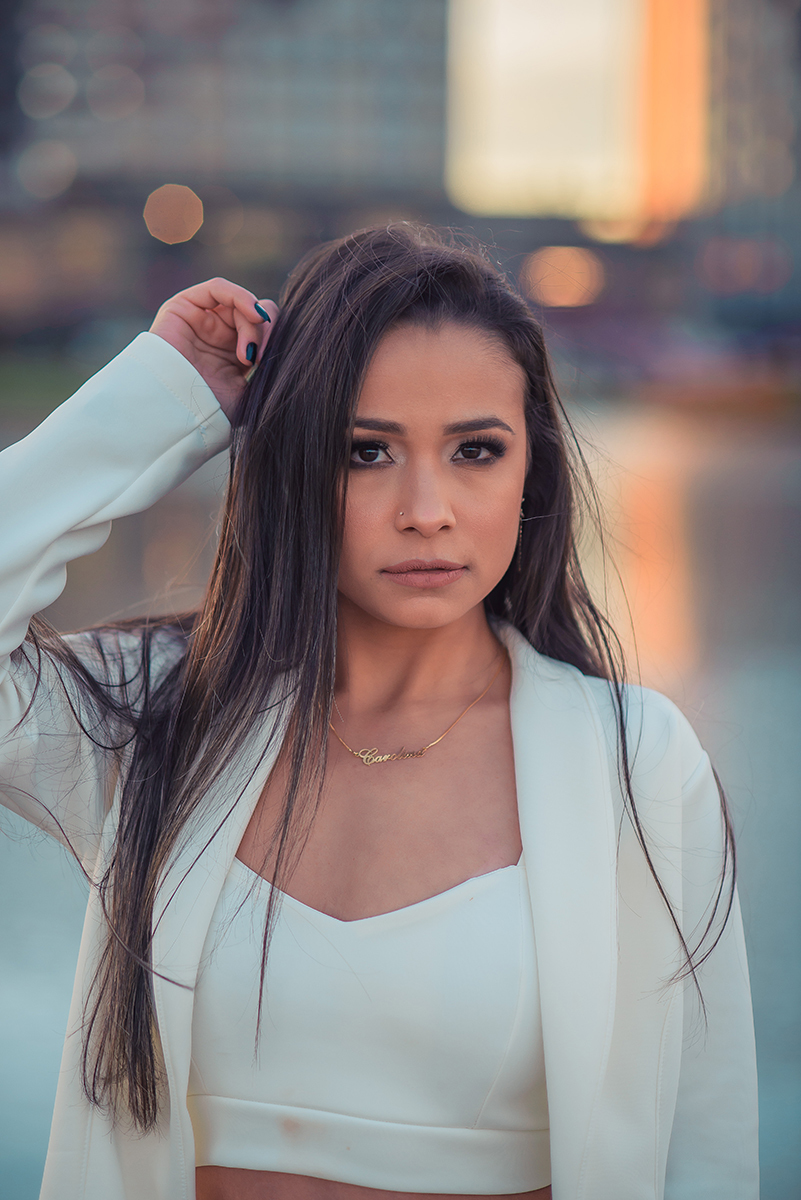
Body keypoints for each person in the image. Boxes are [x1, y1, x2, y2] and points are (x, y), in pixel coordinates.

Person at [0, 225, 757, 1200]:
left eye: (476, 450)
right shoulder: (162, 716)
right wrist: (156, 403)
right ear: (290, 465)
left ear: (533, 471)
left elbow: (709, 1152)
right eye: (365, 452)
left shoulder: (635, 764)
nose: (427, 509)